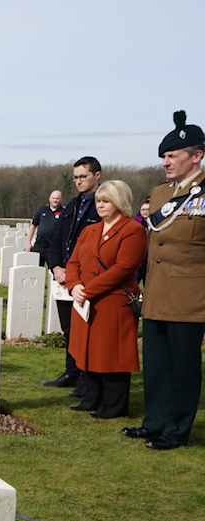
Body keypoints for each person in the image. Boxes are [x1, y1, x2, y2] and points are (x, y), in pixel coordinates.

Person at [122, 110, 205, 450]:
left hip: (189, 295)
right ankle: (154, 421)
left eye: (172, 156)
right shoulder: (159, 194)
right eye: (164, 157)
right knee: (156, 365)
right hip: (156, 292)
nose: (165, 162)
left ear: (196, 156)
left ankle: (176, 430)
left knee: (183, 367)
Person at [65, 180, 145, 418]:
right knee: (88, 351)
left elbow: (123, 268)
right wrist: (73, 285)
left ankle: (113, 405)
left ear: (119, 202)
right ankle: (91, 398)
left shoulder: (133, 230)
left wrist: (86, 289)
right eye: (98, 200)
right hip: (86, 301)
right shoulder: (90, 230)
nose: (100, 205)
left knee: (112, 355)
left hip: (112, 300)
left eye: (106, 200)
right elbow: (74, 262)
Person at [42, 157, 103, 397]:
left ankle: (87, 378)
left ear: (97, 175)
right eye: (75, 177)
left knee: (85, 328)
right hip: (64, 277)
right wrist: (56, 266)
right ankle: (72, 372)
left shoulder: (101, 205)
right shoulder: (72, 206)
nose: (78, 181)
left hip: (86, 278)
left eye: (83, 176)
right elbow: (58, 239)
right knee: (68, 328)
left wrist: (76, 273)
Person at [25, 190, 63, 267]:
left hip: (54, 247)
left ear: (61, 199)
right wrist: (28, 242)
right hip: (39, 246)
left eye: (57, 198)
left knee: (54, 271)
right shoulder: (42, 210)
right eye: (53, 198)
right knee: (35, 270)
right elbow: (33, 225)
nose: (55, 200)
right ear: (49, 198)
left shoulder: (64, 212)